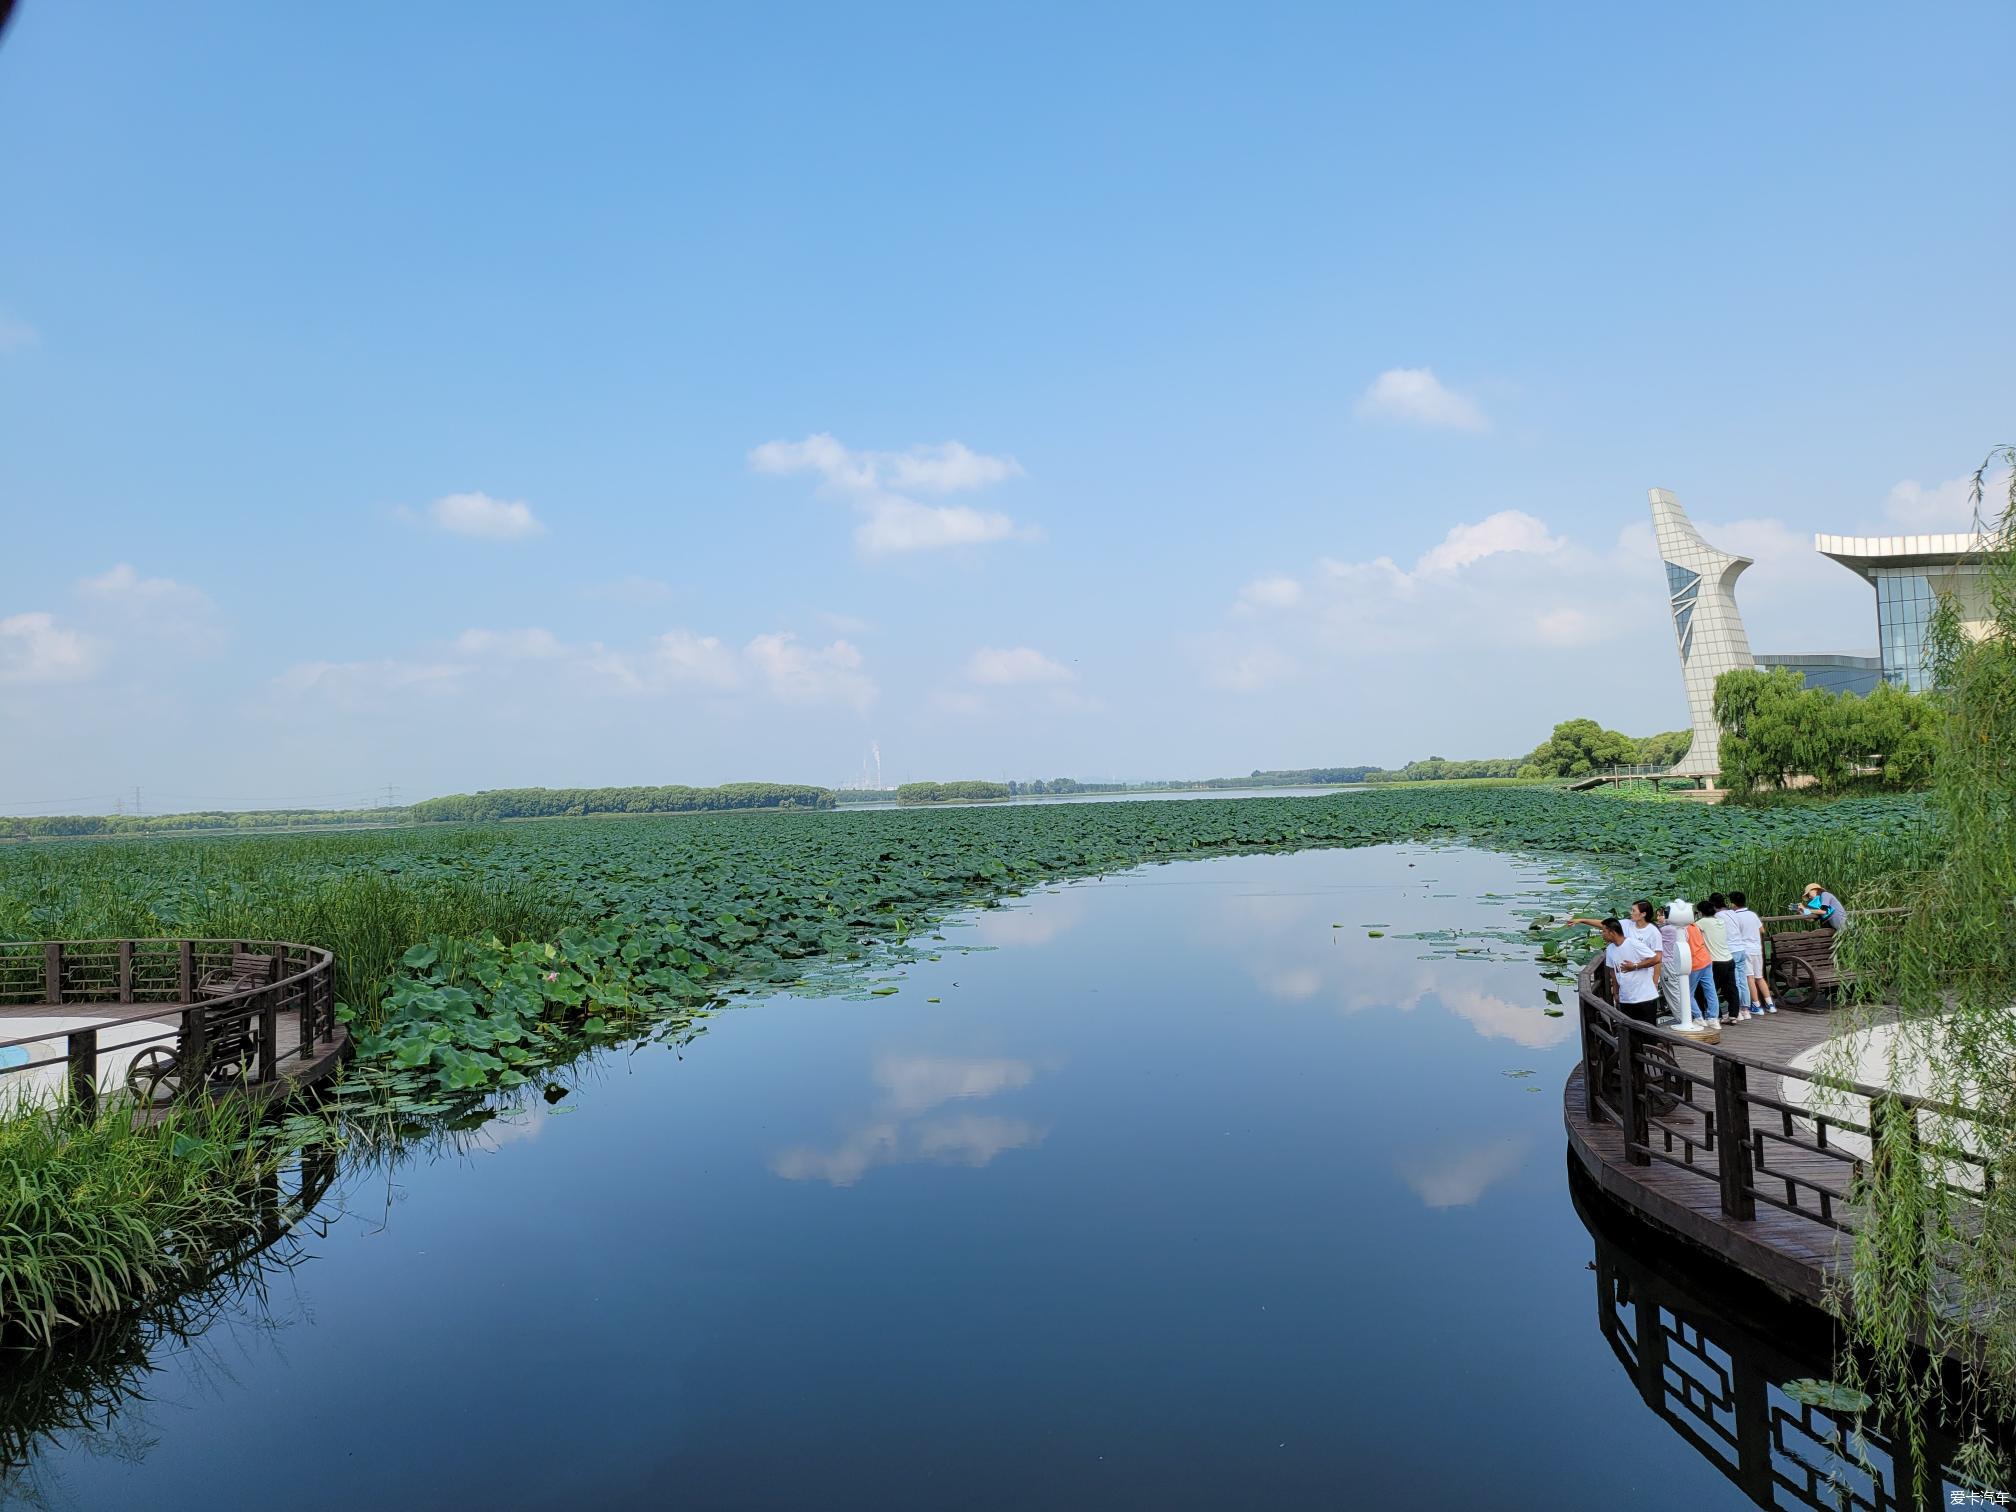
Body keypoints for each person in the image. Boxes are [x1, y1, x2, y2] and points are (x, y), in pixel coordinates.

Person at [1601, 917, 1662, 1024]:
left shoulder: (1633, 944)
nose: (1602, 934)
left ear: (1612, 932)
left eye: (1604, 931)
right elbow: (1613, 972)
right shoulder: (1610, 949)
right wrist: (1615, 992)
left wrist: (1635, 966)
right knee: (1630, 1032)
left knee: (1649, 1032)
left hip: (1644, 997)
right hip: (1626, 998)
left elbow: (1656, 958)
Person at [1673, 899, 1720, 1027]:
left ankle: (1698, 1016)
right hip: (1706, 959)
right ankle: (1713, 1018)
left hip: (1694, 964)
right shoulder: (1695, 926)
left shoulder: (1683, 930)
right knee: (1710, 990)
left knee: (1687, 993)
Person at [1655, 902, 1701, 1032]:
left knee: (1673, 993)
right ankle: (1688, 1017)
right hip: (1679, 962)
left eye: (1662, 915)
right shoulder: (1683, 929)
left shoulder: (1665, 930)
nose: (1659, 918)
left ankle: (1682, 1019)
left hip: (1668, 964)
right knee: (1680, 991)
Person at [1727, 890, 1774, 1014]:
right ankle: (1770, 1004)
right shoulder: (1752, 914)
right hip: (1757, 949)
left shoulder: (1735, 917)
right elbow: (1762, 930)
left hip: (1745, 949)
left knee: (1749, 977)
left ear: (1733, 904)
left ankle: (1756, 1005)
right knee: (1759, 977)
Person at [1699, 895, 1745, 1022]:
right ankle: (1733, 1015)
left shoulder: (1701, 923)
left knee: (1710, 989)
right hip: (1729, 959)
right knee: (1731, 988)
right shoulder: (1719, 921)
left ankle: (1716, 1015)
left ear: (1701, 912)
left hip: (1715, 961)